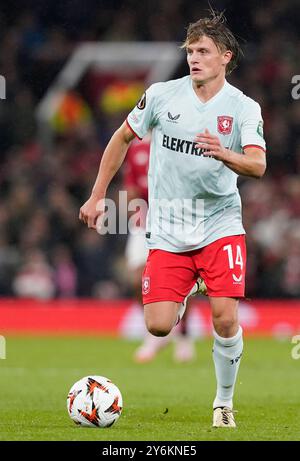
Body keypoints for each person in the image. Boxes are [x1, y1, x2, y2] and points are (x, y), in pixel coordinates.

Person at [79, 11, 266, 428]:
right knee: (159, 326)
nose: (194, 58)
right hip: (168, 228)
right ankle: (189, 286)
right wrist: (96, 196)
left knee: (224, 317)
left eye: (203, 51)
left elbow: (257, 166)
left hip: (220, 224)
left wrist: (226, 153)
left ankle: (222, 403)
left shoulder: (242, 108)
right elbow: (122, 137)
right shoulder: (162, 95)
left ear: (225, 57)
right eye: (190, 51)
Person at [123, 134, 198, 363]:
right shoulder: (135, 148)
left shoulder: (176, 142)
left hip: (175, 221)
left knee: (185, 280)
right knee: (136, 277)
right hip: (144, 222)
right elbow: (131, 185)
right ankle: (156, 334)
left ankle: (183, 335)